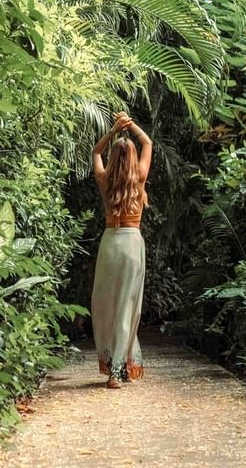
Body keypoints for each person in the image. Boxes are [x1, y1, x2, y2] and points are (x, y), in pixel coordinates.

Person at [91, 110, 153, 389]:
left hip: (109, 244)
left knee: (106, 306)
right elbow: (148, 144)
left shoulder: (104, 180)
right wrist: (131, 126)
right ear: (131, 159)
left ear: (114, 159)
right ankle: (119, 369)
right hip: (131, 243)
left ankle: (116, 365)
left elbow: (95, 151)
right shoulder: (139, 176)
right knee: (128, 307)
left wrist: (115, 129)